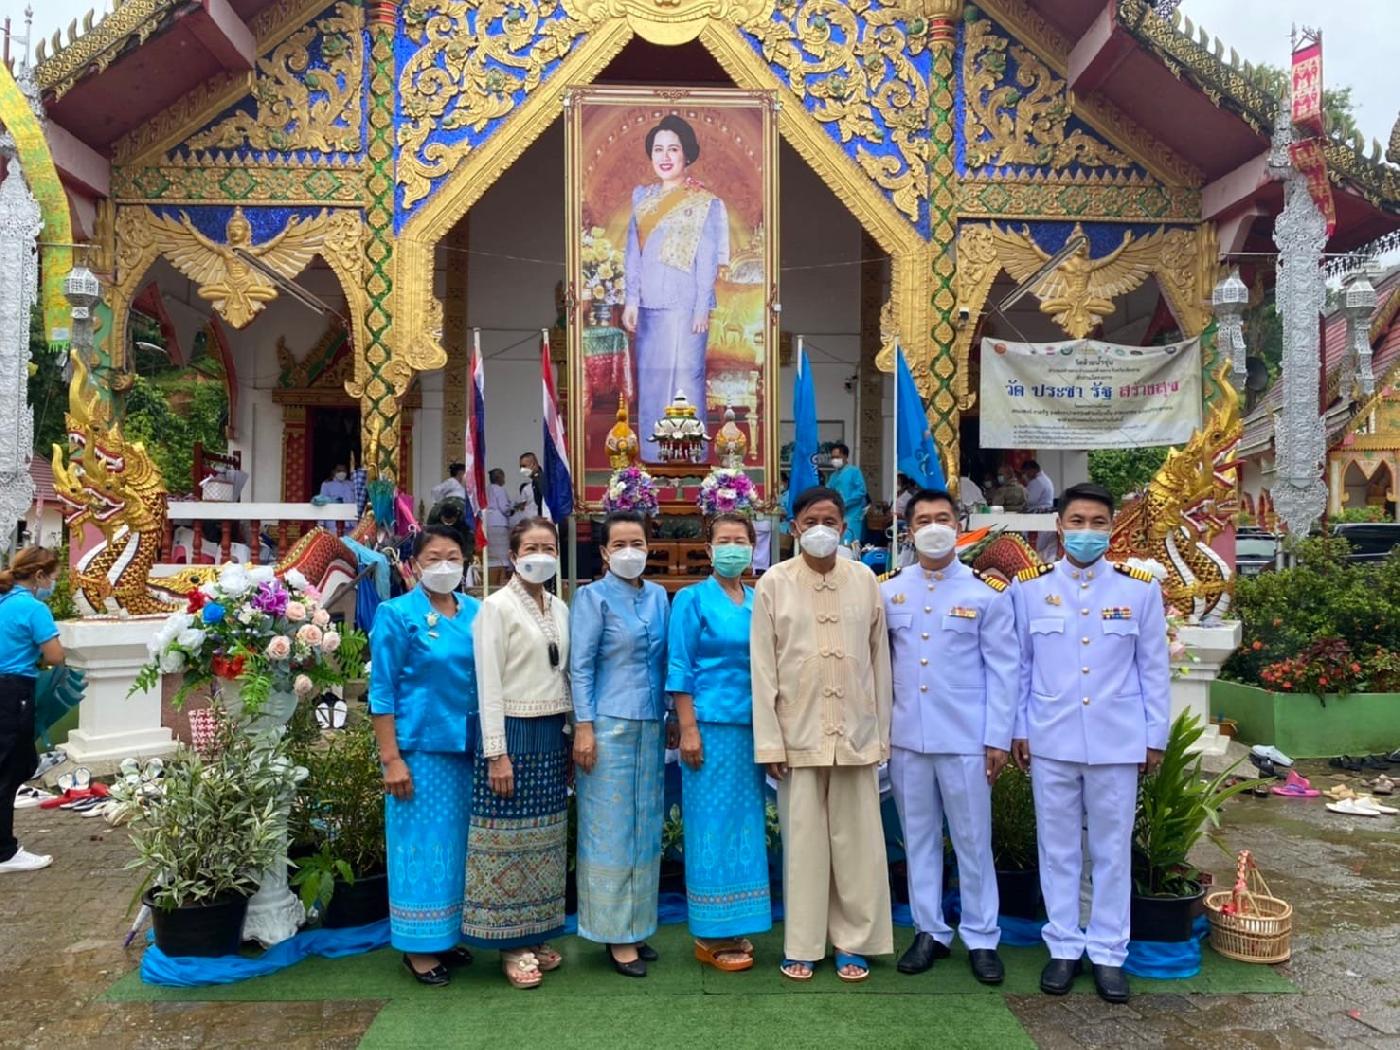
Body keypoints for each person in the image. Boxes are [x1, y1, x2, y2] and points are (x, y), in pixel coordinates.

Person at [1010, 482, 1169, 1005]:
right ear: (1059, 526)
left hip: (1117, 741)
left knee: (1111, 851)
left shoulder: (1138, 591)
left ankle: (1107, 952)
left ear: (1111, 527)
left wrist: (1154, 736)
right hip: (1051, 738)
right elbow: (1020, 667)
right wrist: (1018, 729)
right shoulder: (1028, 589)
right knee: (1057, 849)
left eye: (1098, 522)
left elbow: (1153, 669)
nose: (1086, 531)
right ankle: (1062, 945)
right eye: (1076, 521)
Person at [751, 486, 892, 982]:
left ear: (844, 527)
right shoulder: (774, 583)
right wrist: (771, 740)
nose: (820, 529)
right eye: (811, 521)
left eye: (830, 521)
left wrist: (881, 734)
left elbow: (879, 660)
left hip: (855, 731)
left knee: (857, 844)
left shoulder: (865, 580)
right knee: (805, 844)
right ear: (794, 527)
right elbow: (763, 667)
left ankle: (854, 942)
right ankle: (804, 943)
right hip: (799, 733)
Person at [881, 490, 1017, 983]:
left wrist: (998, 738)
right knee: (918, 839)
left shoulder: (985, 593)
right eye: (923, 520)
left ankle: (981, 936)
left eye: (943, 518)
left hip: (966, 738)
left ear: (959, 526)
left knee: (973, 840)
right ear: (909, 530)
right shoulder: (889, 590)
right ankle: (929, 931)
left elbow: (1005, 671)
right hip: (908, 737)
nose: (934, 527)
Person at [462, 517, 572, 988]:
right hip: (510, 733)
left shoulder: (560, 607)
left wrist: (571, 733)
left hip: (551, 733)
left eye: (548, 548)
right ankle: (510, 943)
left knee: (546, 838)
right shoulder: (495, 607)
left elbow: (564, 673)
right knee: (507, 838)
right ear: (513, 555)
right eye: (531, 548)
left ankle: (537, 932)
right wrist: (496, 753)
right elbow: (488, 683)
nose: (540, 556)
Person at [368, 526, 480, 984]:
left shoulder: (477, 612)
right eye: (434, 558)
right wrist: (390, 758)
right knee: (419, 843)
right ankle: (418, 946)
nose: (444, 565)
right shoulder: (396, 614)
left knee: (457, 844)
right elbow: (381, 691)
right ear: (414, 565)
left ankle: (447, 934)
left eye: (453, 556)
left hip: (467, 747)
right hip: (418, 749)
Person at [667, 513, 771, 972]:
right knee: (709, 824)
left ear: (752, 547)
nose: (733, 548)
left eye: (740, 540)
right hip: (707, 726)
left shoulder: (760, 599)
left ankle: (739, 920)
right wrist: (687, 727)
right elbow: (679, 665)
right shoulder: (691, 600)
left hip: (751, 727)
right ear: (709, 550)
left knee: (745, 823)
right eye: (724, 541)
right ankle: (710, 931)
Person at [570, 510, 670, 977]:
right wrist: (584, 726)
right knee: (609, 830)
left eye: (638, 543)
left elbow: (665, 661)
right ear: (605, 552)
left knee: (644, 827)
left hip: (650, 723)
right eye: (620, 544)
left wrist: (670, 713)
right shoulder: (591, 598)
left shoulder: (659, 597)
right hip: (607, 724)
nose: (630, 552)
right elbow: (581, 666)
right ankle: (613, 934)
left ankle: (637, 925)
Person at [621, 114, 729, 446]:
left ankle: (688, 454)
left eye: (673, 149)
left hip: (686, 308)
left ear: (687, 154)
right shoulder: (642, 198)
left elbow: (707, 258)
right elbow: (633, 252)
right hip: (649, 305)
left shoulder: (705, 202)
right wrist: (631, 300)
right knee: (652, 381)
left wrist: (701, 308)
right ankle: (653, 455)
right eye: (658, 149)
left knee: (686, 379)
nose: (665, 157)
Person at [0, 547, 64, 874]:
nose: (52, 584)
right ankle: (4, 852)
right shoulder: (33, 608)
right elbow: (55, 656)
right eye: (52, 578)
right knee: (9, 770)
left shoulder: (4, 600)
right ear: (39, 576)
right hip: (13, 691)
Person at [825, 443, 868, 545]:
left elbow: (861, 491)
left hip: (852, 516)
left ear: (845, 456)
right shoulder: (833, 476)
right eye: (832, 457)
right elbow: (827, 492)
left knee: (850, 545)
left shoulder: (854, 471)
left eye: (837, 457)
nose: (834, 460)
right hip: (837, 516)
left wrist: (845, 502)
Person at [1020, 460, 1058, 561]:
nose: (1025, 476)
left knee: (1036, 546)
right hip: (1044, 515)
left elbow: (1030, 500)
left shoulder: (1037, 482)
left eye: (1025, 472)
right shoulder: (1045, 479)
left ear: (1032, 470)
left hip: (1038, 515)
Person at [484, 469, 515, 584]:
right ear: (499, 477)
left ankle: (492, 579)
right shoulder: (500, 490)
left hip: (488, 522)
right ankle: (501, 578)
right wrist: (513, 509)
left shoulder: (486, 490)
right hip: (499, 523)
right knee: (502, 554)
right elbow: (504, 508)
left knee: (492, 554)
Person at [318, 463, 356, 531]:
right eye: (339, 470)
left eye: (344, 470)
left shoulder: (351, 484)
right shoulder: (327, 484)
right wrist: (321, 523)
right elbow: (322, 502)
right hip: (333, 524)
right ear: (334, 471)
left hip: (351, 522)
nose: (342, 473)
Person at [517, 452, 545, 521]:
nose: (522, 470)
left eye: (524, 466)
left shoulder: (541, 479)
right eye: (520, 467)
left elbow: (545, 502)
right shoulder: (535, 480)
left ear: (534, 464)